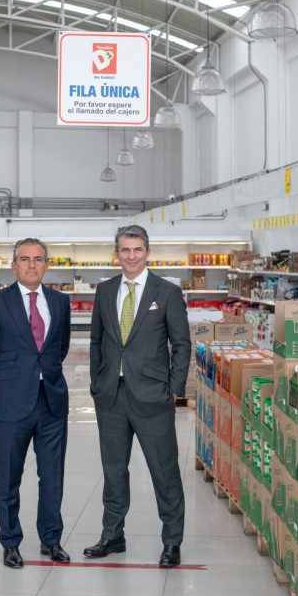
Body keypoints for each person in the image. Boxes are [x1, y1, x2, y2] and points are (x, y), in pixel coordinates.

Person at [84, 225, 191, 567]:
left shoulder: (167, 292)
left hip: (152, 396)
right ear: (116, 253)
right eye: (125, 250)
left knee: (164, 470)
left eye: (137, 249)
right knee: (114, 470)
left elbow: (182, 344)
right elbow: (97, 340)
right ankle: (112, 536)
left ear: (148, 252)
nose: (131, 256)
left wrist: (173, 389)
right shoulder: (105, 290)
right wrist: (97, 382)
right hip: (111, 396)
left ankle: (172, 541)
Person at [0, 238, 71, 568]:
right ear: (14, 265)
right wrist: (3, 384)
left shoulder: (60, 302)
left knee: (52, 476)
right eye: (24, 259)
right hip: (11, 404)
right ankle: (10, 541)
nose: (31, 265)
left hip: (52, 402)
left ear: (46, 265)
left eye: (38, 259)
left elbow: (60, 347)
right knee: (9, 476)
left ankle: (51, 539)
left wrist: (44, 375)